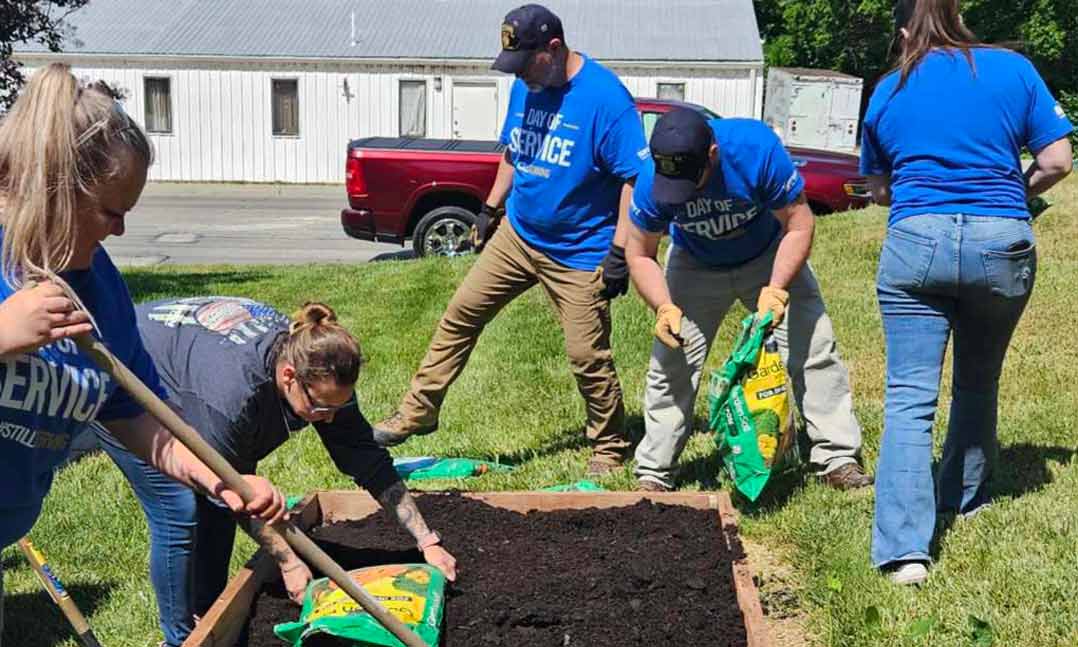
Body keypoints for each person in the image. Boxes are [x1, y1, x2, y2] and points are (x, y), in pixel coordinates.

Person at [0, 64, 285, 643]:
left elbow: (132, 416)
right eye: (110, 211)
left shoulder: (98, 285)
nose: (122, 230)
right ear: (55, 185)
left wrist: (219, 480)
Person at [372, 3, 649, 475]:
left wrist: (621, 250)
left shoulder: (606, 101)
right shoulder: (528, 86)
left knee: (586, 354)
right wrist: (489, 209)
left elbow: (632, 179)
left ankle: (609, 444)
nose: (520, 77)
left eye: (527, 64)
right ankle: (418, 411)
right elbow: (513, 154)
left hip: (579, 252)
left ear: (554, 49)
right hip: (519, 236)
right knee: (461, 314)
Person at [96, 296, 458, 646]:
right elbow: (233, 492)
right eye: (319, 408)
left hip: (190, 361)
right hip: (125, 375)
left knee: (217, 506)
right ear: (288, 377)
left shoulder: (321, 370)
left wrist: (426, 540)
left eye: (338, 406)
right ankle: (182, 638)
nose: (330, 418)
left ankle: (209, 615)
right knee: (179, 510)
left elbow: (367, 459)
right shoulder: (233, 399)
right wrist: (288, 561)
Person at [862, 0, 1073, 585]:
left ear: (906, 30)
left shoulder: (887, 88)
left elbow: (879, 187)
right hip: (1000, 241)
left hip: (916, 242)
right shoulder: (1011, 68)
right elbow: (1057, 160)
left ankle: (905, 552)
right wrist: (1017, 192)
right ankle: (965, 496)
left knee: (909, 395)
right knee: (978, 379)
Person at [625, 108, 873, 492]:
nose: (684, 192)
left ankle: (836, 456)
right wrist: (664, 306)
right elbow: (639, 253)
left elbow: (799, 222)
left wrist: (776, 288)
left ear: (712, 153)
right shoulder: (650, 179)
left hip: (767, 254)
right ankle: (655, 471)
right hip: (694, 262)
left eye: (692, 181)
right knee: (671, 360)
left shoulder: (754, 148)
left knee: (813, 347)